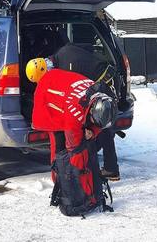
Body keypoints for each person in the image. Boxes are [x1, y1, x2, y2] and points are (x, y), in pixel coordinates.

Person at [50, 43, 120, 181]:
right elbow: (90, 47)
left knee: (103, 126)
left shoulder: (65, 66)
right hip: (107, 78)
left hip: (105, 84)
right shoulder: (64, 50)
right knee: (102, 128)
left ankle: (108, 170)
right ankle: (109, 168)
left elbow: (76, 91)